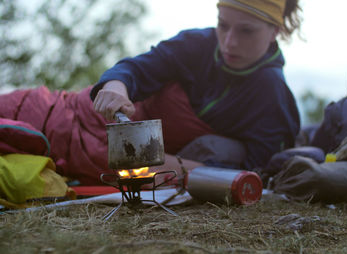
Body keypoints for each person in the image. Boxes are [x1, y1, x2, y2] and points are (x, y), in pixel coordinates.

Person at [91, 0, 302, 177]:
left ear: (275, 31)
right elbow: (138, 68)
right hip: (105, 122)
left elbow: (260, 169)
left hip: (159, 164)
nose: (229, 43)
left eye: (246, 31)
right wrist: (117, 87)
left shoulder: (272, 93)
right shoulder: (196, 44)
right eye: (223, 25)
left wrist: (177, 167)